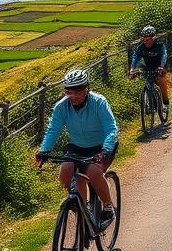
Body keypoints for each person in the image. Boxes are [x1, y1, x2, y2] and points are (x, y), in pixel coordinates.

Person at [35, 68, 119, 229]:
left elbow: (111, 128)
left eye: (78, 91)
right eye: (68, 92)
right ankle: (84, 207)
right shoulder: (61, 107)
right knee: (65, 175)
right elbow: (53, 129)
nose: (73, 96)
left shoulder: (99, 102)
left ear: (87, 88)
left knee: (93, 172)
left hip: (102, 146)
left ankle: (108, 208)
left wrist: (106, 149)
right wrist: (44, 150)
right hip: (78, 145)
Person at [129, 25, 169, 118]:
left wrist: (161, 67)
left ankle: (165, 103)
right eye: (144, 38)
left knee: (161, 81)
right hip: (147, 67)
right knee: (147, 82)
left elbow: (164, 55)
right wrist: (132, 69)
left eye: (148, 38)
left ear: (153, 38)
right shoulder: (141, 47)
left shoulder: (160, 45)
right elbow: (135, 58)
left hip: (159, 67)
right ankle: (149, 104)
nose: (145, 40)